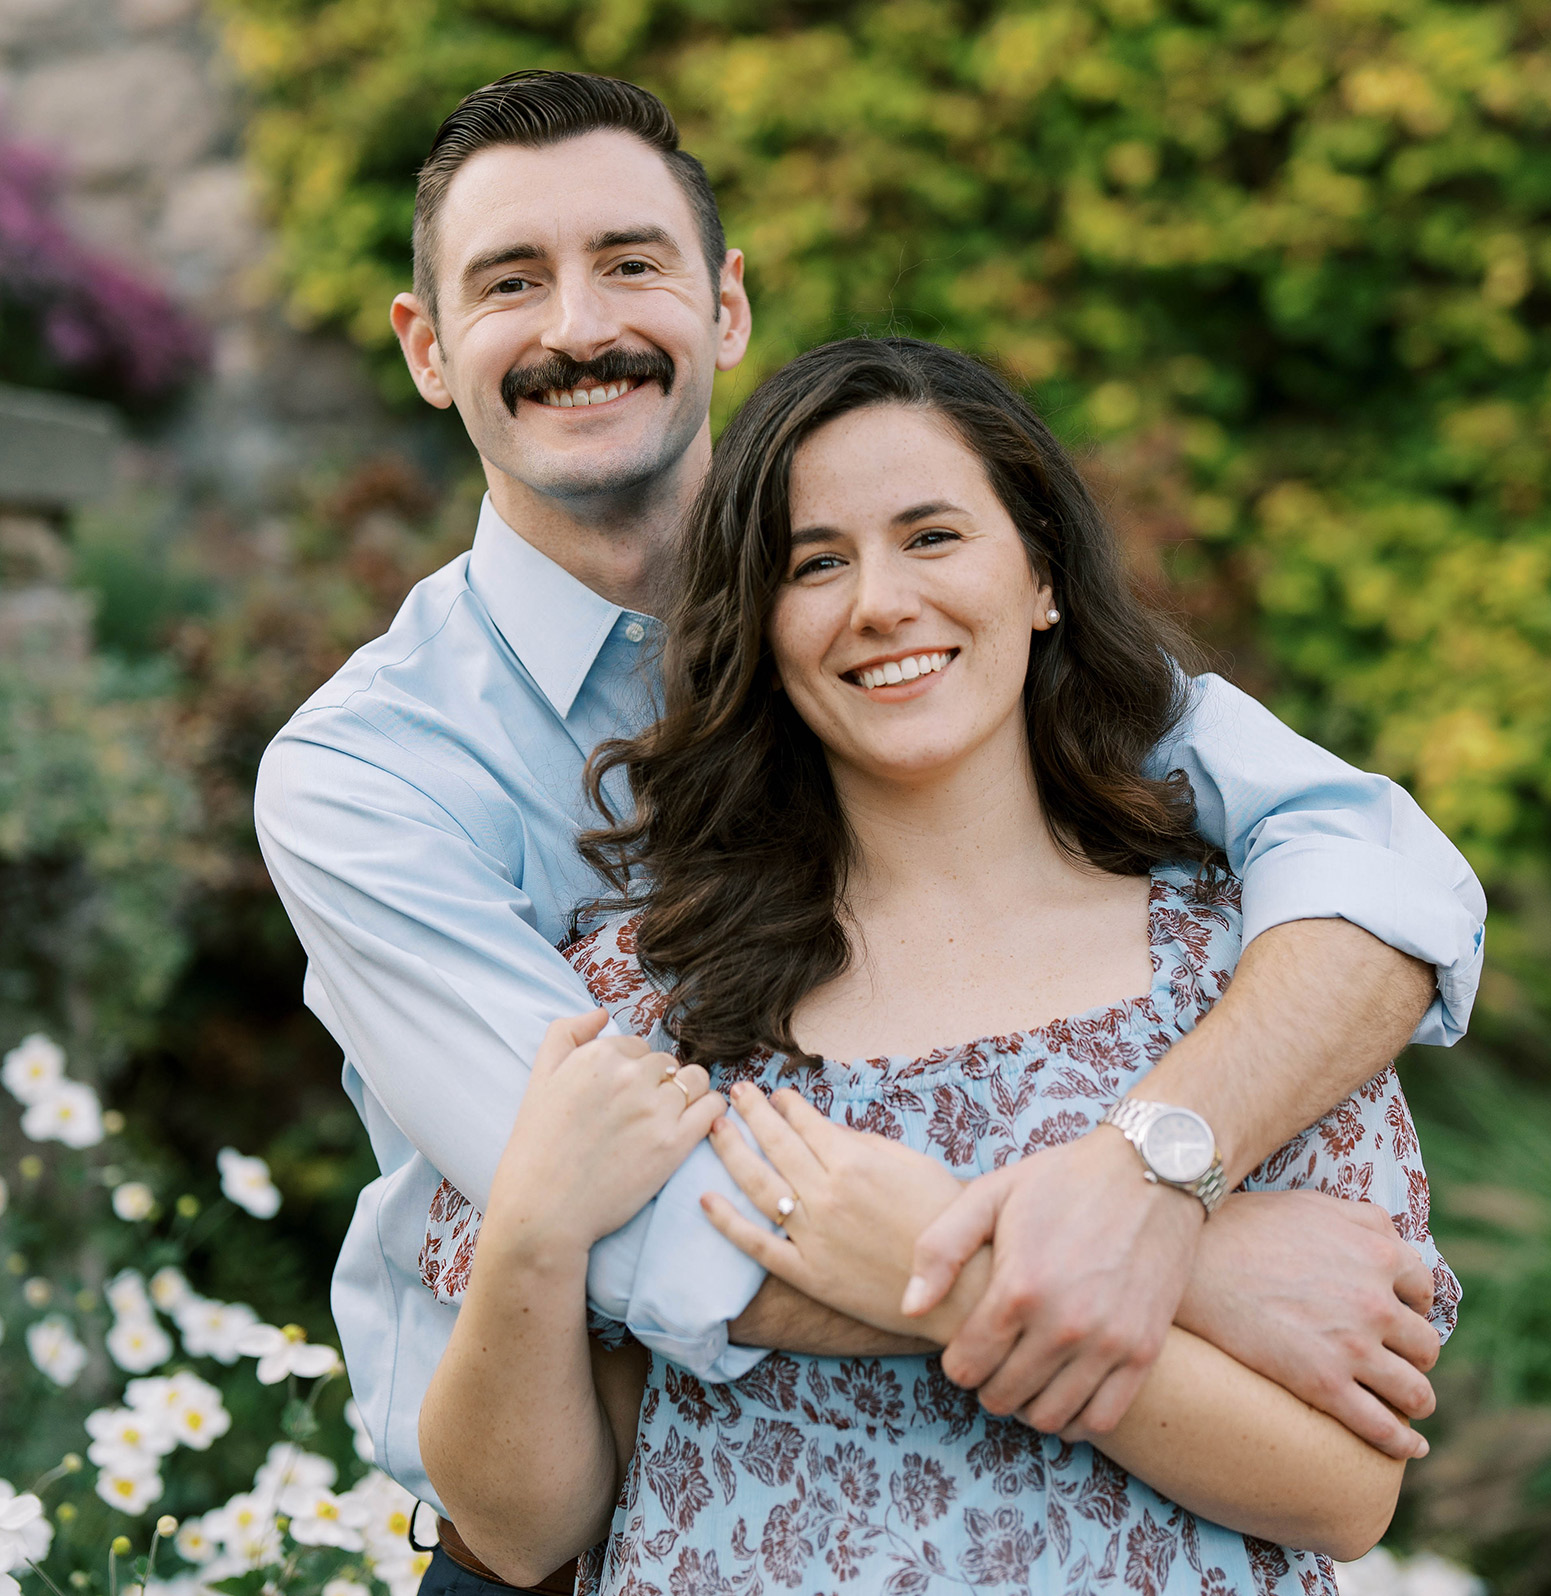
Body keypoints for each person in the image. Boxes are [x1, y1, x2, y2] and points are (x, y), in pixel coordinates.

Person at [253, 69, 1485, 1532]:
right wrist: (1172, 1261)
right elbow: (615, 1218)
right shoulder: (366, 778)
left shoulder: (943, 639)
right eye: (511, 281)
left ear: (724, 307)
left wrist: (1157, 1170)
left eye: (630, 264)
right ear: (426, 346)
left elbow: (1368, 865)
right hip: (583, 1532)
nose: (578, 327)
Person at [417, 336, 1460, 1594]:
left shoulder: (1244, 977)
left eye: (931, 537)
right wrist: (530, 1233)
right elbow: (523, 1531)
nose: (879, 603)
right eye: (814, 563)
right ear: (760, 625)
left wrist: (949, 1285)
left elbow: (1343, 1492)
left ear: (1040, 575)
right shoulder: (649, 1002)